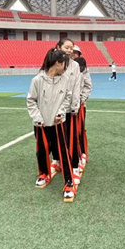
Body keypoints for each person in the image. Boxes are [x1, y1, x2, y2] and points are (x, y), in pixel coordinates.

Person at [27, 48, 76, 203]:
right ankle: (43, 173)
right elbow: (31, 101)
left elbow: (67, 98)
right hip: (41, 124)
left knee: (63, 152)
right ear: (58, 63)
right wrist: (37, 118)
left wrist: (61, 113)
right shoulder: (37, 80)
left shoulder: (65, 79)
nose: (66, 68)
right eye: (65, 64)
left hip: (59, 123)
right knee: (42, 150)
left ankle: (69, 182)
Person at [56, 38, 83, 186]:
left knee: (72, 139)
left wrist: (75, 106)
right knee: (58, 139)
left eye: (71, 48)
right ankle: (59, 161)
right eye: (66, 47)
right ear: (59, 47)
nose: (69, 50)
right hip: (55, 108)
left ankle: (74, 167)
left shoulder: (75, 65)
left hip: (69, 109)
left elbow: (77, 87)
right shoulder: (53, 62)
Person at [73, 53, 92, 166]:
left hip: (80, 106)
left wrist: (82, 99)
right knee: (70, 132)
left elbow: (88, 86)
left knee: (80, 130)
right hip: (69, 107)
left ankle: (82, 153)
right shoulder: (69, 69)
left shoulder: (85, 72)